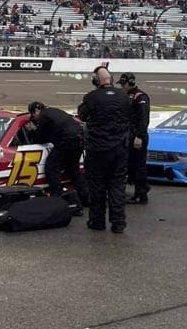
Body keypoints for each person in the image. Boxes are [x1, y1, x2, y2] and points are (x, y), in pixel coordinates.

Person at [78, 65, 134, 233]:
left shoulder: (92, 97)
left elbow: (82, 115)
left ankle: (97, 221)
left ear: (96, 81)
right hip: (119, 149)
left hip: (98, 149)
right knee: (117, 186)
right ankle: (118, 222)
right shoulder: (124, 97)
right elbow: (130, 116)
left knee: (97, 186)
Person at [26, 101, 86, 203]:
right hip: (80, 138)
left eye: (33, 115)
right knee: (72, 169)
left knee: (51, 168)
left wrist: (32, 130)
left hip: (67, 140)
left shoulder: (44, 116)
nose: (34, 118)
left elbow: (40, 139)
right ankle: (86, 198)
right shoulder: (54, 111)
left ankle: (56, 200)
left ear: (36, 111)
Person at [120, 73, 151, 204]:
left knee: (139, 165)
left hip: (137, 135)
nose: (122, 86)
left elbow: (144, 119)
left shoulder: (141, 97)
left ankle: (141, 193)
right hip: (127, 134)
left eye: (124, 84)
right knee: (129, 164)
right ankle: (141, 188)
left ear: (131, 82)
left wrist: (139, 136)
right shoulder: (124, 96)